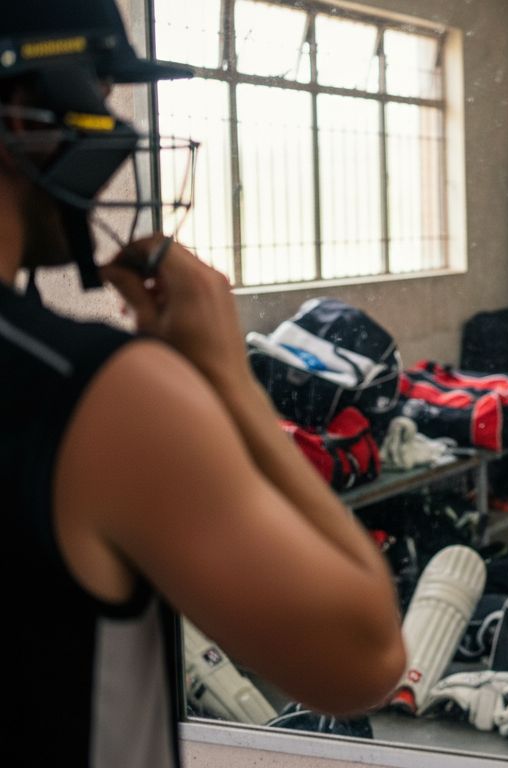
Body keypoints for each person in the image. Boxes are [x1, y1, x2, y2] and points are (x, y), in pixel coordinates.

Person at [1, 3, 405, 765]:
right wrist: (224, 376)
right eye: (102, 94)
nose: (118, 130)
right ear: (27, 114)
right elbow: (364, 659)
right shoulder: (97, 394)